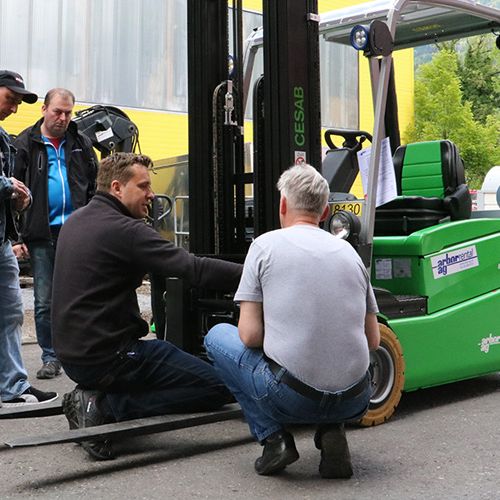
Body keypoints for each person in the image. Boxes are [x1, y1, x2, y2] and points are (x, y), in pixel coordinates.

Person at [51, 152, 242, 460]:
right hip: (110, 357)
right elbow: (193, 270)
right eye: (143, 186)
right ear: (117, 187)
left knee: (170, 362)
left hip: (73, 355)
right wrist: (257, 274)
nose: (151, 195)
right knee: (219, 386)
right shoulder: (127, 231)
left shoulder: (77, 220)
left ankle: (95, 395)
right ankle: (103, 407)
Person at [204, 164, 380, 478]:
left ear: (283, 205)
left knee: (218, 336)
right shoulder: (351, 255)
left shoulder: (264, 247)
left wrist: (286, 328)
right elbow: (373, 341)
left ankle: (273, 438)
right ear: (325, 211)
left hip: (292, 399)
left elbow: (249, 336)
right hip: (356, 398)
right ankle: (332, 432)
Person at [12, 88, 97, 380]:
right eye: (57, 111)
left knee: (82, 295)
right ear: (44, 110)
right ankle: (50, 356)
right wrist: (17, 237)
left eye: (68, 112)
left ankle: (83, 350)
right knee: (45, 300)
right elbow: (12, 192)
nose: (62, 118)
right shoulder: (25, 143)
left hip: (77, 233)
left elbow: (93, 186)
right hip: (40, 234)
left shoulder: (81, 142)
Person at [0, 70, 58, 407]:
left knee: (9, 314)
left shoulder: (4, 138)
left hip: (2, 241)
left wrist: (20, 200)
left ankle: (13, 388)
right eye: (10, 99)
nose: (14, 108)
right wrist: (8, 187)